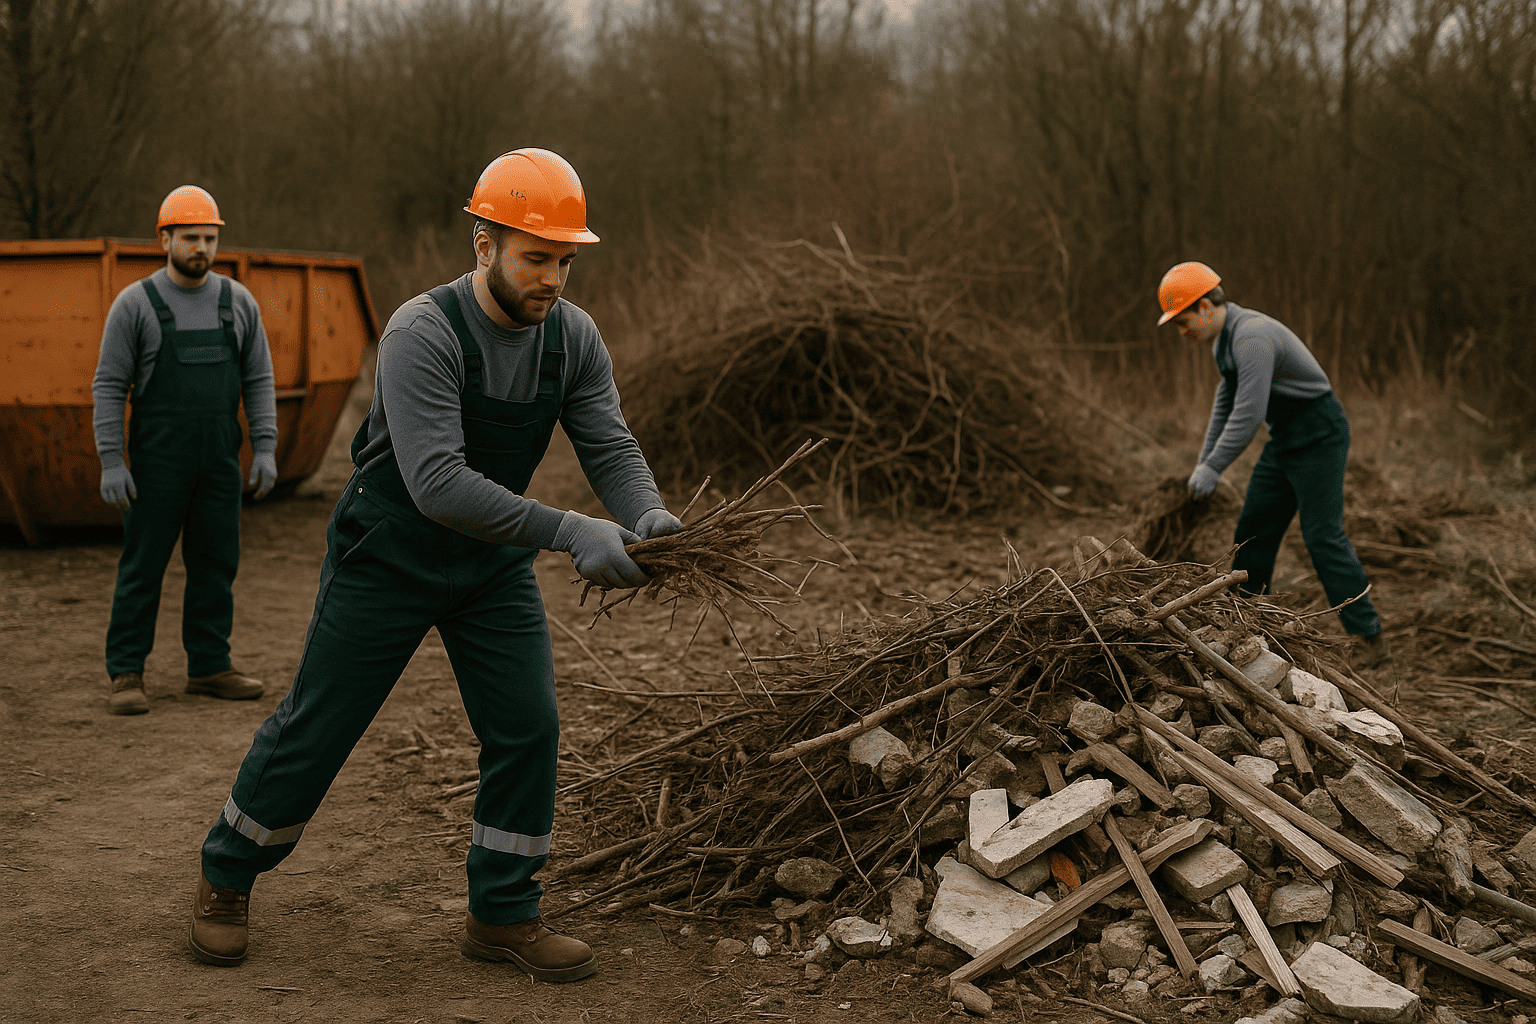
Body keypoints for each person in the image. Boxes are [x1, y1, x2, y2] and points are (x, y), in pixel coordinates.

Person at [188, 149, 683, 982]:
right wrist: (569, 531)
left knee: (527, 727)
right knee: (320, 724)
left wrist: (647, 515)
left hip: (489, 567)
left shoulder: (574, 337)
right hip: (389, 553)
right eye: (537, 257)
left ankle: (502, 914)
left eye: (565, 259)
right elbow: (439, 484)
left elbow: (607, 439)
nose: (554, 277)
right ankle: (226, 875)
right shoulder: (423, 330)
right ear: (484, 243)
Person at [93, 185, 278, 716]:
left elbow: (259, 379)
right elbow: (108, 384)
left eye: (209, 238)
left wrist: (264, 447)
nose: (201, 247)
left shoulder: (236, 301)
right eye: (190, 237)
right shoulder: (135, 304)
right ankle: (127, 672)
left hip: (219, 456)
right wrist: (111, 460)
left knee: (216, 562)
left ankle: (209, 665)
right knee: (143, 565)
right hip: (158, 459)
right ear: (165, 239)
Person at [1157, 261, 1391, 668]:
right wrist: (1204, 462)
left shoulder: (1252, 337)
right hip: (1285, 438)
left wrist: (1215, 468)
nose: (1182, 332)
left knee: (1321, 535)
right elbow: (1225, 404)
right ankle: (1245, 623)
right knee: (1253, 530)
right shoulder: (1223, 341)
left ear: (1208, 306)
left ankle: (1369, 640)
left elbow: (1248, 414)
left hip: (1319, 434)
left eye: (1183, 321)